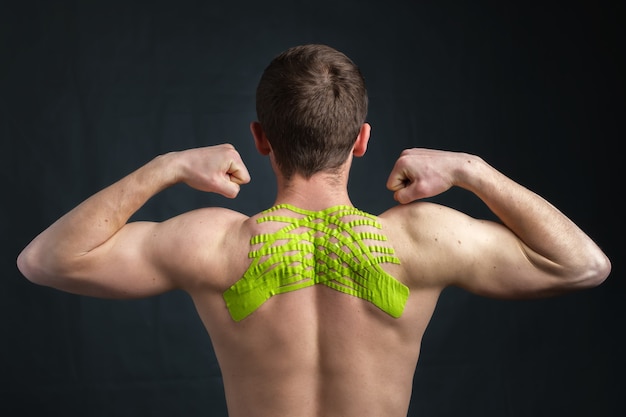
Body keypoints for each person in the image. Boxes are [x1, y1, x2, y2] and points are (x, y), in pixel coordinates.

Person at [17, 44, 611, 417]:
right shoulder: (421, 239)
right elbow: (584, 264)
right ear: (361, 139)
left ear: (260, 138)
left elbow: (44, 260)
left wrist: (167, 166)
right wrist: (469, 170)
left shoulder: (216, 245)